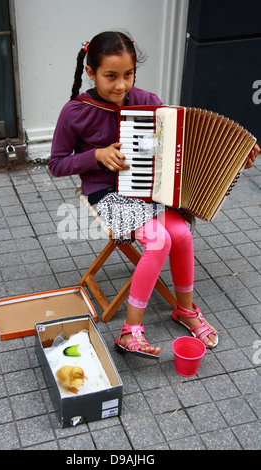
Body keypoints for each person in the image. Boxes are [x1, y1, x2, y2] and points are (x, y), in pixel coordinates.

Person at [49, 31, 260, 358]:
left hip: (148, 190)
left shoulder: (149, 102)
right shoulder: (75, 112)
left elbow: (181, 152)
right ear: (91, 73)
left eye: (128, 75)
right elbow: (57, 164)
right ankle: (130, 331)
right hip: (106, 194)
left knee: (181, 235)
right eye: (111, 76)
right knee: (159, 241)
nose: (121, 85)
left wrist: (235, 157)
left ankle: (185, 310)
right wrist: (96, 156)